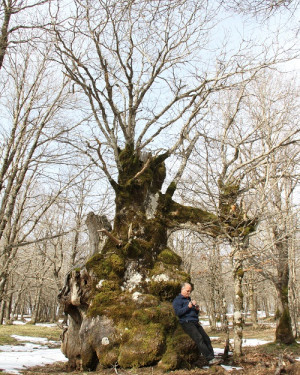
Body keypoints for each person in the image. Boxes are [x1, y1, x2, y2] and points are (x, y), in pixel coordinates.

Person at [172, 282, 222, 366]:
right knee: (199, 339)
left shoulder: (189, 299)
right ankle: (209, 359)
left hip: (195, 322)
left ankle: (213, 358)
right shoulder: (177, 300)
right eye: (187, 291)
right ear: (182, 289)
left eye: (190, 291)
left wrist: (196, 309)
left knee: (206, 338)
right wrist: (188, 307)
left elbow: (192, 312)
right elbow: (177, 312)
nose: (189, 293)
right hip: (186, 323)